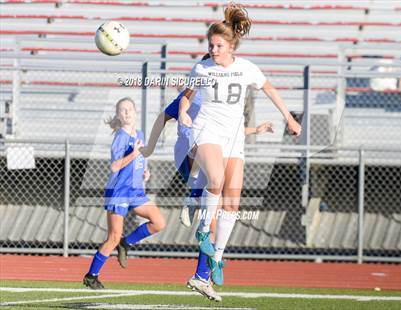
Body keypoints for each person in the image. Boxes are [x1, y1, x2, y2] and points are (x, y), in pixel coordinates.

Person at [178, 3, 301, 288]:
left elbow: (269, 89)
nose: (214, 50)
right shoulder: (202, 68)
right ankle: (204, 235)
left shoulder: (246, 68)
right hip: (206, 131)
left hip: (234, 136)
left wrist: (289, 119)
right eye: (211, 45)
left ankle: (217, 257)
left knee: (232, 202)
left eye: (219, 45)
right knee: (217, 181)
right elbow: (186, 97)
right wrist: (184, 111)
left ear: (231, 46)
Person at [142, 81, 273, 301]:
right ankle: (193, 195)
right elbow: (163, 117)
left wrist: (255, 130)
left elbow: (232, 131)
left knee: (213, 219)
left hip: (208, 166)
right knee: (205, 150)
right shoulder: (193, 94)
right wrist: (150, 147)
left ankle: (201, 277)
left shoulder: (222, 102)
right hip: (188, 157)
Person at [83, 97, 166, 289]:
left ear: (135, 112)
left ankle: (126, 244)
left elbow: (140, 157)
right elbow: (114, 166)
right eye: (122, 110)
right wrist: (135, 154)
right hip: (119, 191)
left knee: (159, 222)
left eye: (129, 109)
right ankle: (91, 276)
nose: (127, 113)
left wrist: (145, 170)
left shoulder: (140, 134)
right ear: (118, 116)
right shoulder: (120, 137)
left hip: (135, 190)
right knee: (113, 236)